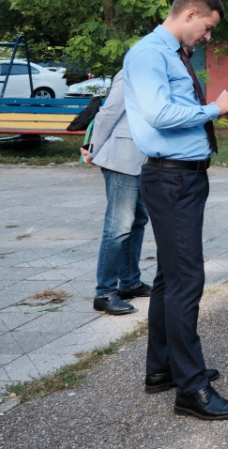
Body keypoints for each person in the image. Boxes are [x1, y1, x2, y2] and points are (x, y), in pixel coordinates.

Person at [123, 0, 228, 419]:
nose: (208, 37)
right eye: (208, 27)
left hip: (182, 177)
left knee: (169, 277)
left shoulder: (172, 54)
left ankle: (163, 369)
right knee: (186, 280)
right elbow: (159, 114)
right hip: (171, 177)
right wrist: (215, 108)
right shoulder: (149, 54)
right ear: (190, 13)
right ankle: (191, 388)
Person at [87, 70, 150, 316]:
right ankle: (104, 292)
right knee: (118, 226)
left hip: (141, 158)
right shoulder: (132, 71)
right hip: (121, 157)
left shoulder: (158, 67)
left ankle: (130, 282)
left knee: (137, 219)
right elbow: (108, 113)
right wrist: (93, 149)